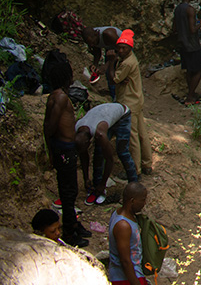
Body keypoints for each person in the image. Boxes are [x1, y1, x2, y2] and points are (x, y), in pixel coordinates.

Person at [43, 56, 89, 247]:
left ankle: (74, 224)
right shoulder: (60, 97)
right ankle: (69, 231)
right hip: (64, 148)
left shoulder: (56, 96)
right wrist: (52, 150)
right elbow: (50, 126)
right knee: (68, 192)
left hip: (63, 147)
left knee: (70, 190)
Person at [76, 102, 139, 205]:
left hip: (122, 115)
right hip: (105, 115)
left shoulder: (99, 133)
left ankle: (134, 186)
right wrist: (86, 178)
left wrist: (103, 184)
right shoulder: (78, 129)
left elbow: (110, 160)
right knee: (98, 152)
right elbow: (83, 155)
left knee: (122, 152)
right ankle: (96, 188)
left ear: (88, 141)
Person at [109, 30, 152, 175]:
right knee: (141, 133)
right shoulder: (130, 59)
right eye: (119, 48)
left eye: (124, 48)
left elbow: (114, 79)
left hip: (129, 101)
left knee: (132, 136)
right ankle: (147, 163)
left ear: (130, 48)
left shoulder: (126, 63)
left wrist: (110, 63)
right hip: (136, 99)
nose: (120, 50)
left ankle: (135, 169)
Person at [108, 181, 148, 285]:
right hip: (125, 278)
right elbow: (125, 261)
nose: (144, 203)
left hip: (132, 274)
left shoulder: (119, 214)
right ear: (132, 201)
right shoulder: (123, 226)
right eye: (143, 200)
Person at [174, 0, 201, 105]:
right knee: (200, 68)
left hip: (182, 43)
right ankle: (190, 96)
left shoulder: (178, 9)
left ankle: (191, 93)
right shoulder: (190, 9)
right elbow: (192, 30)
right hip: (192, 44)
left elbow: (174, 28)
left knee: (189, 69)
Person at [81, 25, 121, 94]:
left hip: (122, 47)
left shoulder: (108, 34)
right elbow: (97, 51)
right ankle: (113, 93)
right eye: (90, 44)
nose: (92, 45)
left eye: (93, 43)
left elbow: (121, 50)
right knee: (109, 73)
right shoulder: (92, 39)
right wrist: (95, 64)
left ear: (96, 35)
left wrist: (106, 65)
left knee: (119, 72)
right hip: (111, 48)